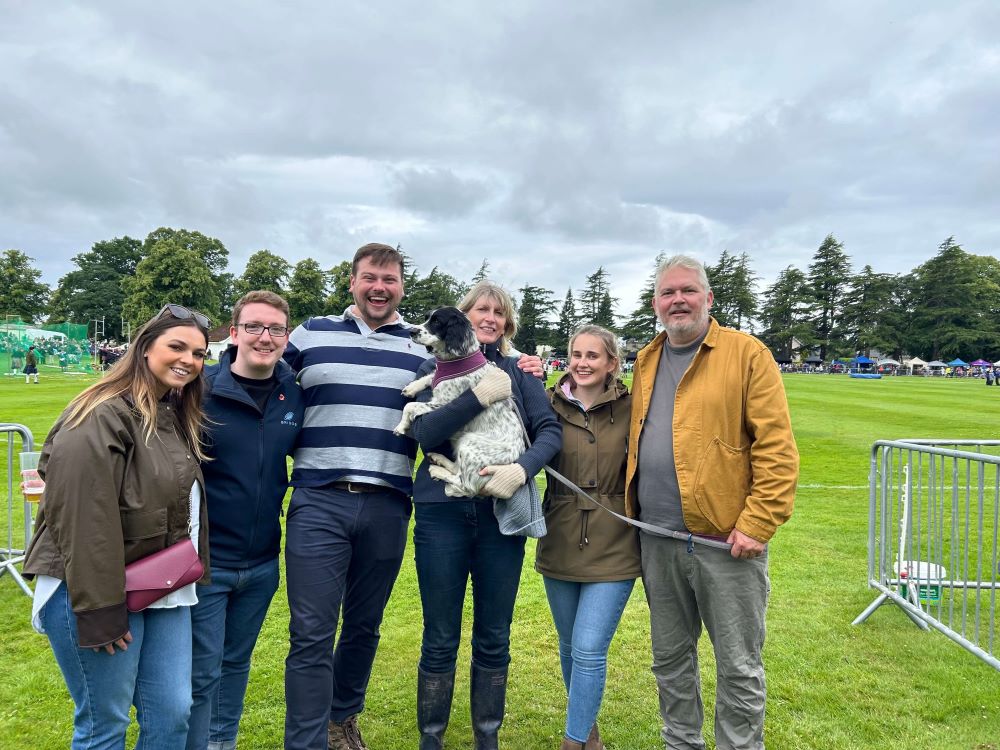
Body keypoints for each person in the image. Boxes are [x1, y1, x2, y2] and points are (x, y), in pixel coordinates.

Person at [625, 255, 798, 750]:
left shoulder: (747, 354)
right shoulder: (647, 358)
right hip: (656, 538)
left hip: (726, 542)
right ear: (656, 303)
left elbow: (777, 448)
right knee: (670, 660)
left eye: (687, 291)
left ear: (708, 298)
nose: (677, 300)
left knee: (738, 666)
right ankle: (680, 743)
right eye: (667, 293)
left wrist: (758, 524)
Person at [23, 304, 212, 749]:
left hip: (157, 588)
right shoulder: (101, 413)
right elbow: (83, 519)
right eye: (177, 346)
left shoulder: (173, 413)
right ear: (145, 348)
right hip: (95, 593)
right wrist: (100, 610)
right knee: (104, 726)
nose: (189, 359)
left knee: (172, 715)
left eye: (200, 353)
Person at [409, 280, 561, 750]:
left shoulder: (521, 372)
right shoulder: (433, 367)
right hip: (442, 514)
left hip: (500, 514)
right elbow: (426, 435)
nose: (489, 318)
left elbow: (549, 432)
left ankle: (486, 738)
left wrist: (522, 469)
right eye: (480, 310)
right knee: (439, 633)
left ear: (507, 323)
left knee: (494, 632)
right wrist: (477, 396)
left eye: (498, 312)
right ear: (462, 317)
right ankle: (431, 738)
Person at [186, 291, 304, 750]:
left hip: (261, 564)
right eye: (254, 326)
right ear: (233, 334)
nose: (265, 337)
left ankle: (222, 743)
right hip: (206, 564)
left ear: (286, 336)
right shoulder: (199, 392)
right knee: (201, 670)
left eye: (275, 329)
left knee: (235, 663)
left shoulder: (294, 392)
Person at [535, 324, 640, 750]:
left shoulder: (635, 406)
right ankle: (588, 728)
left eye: (593, 356)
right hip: (559, 535)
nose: (581, 363)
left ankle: (573, 742)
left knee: (589, 647)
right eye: (576, 354)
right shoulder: (546, 403)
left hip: (615, 539)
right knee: (568, 646)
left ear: (612, 363)